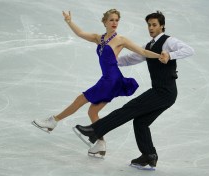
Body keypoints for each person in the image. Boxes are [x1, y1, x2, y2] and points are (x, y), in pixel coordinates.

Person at [32, 9, 163, 157]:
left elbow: (143, 52)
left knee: (80, 99)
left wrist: (161, 56)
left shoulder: (121, 39)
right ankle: (100, 145)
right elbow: (80, 33)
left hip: (112, 79)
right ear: (105, 22)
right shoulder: (98, 38)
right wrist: (69, 21)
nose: (114, 23)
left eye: (117, 20)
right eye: (112, 20)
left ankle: (53, 121)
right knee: (92, 111)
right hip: (107, 79)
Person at [74, 11, 194, 169]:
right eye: (149, 25)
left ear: (162, 26)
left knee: (130, 108)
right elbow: (132, 58)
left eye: (154, 25)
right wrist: (113, 61)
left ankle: (95, 131)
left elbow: (190, 50)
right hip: (162, 92)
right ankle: (149, 155)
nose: (151, 28)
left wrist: (170, 55)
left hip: (165, 92)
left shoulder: (169, 41)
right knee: (141, 122)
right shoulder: (149, 46)